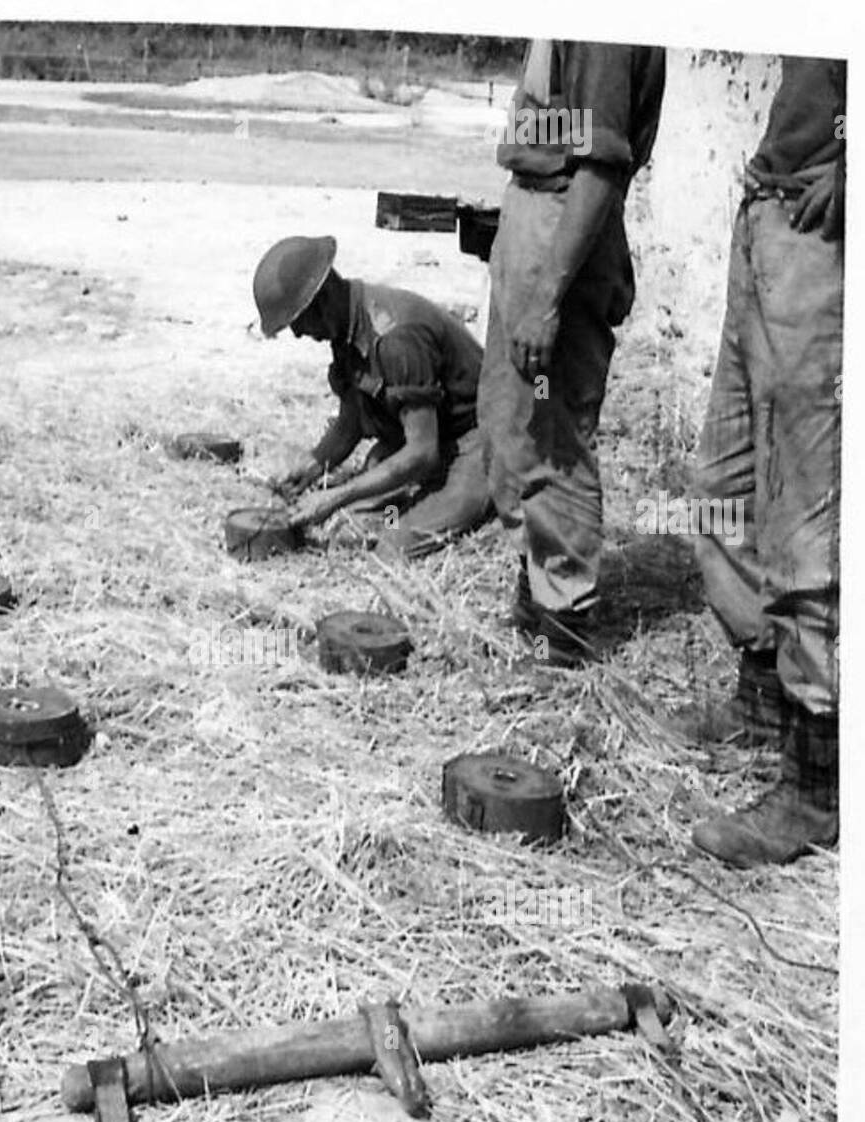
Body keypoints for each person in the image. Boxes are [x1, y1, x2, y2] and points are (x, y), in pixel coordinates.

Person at [683, 57, 843, 868]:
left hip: (823, 239)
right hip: (768, 216)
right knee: (721, 488)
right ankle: (763, 695)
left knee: (802, 518)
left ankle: (813, 787)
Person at [479, 40, 665, 665]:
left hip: (562, 228)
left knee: (551, 431)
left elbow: (601, 166)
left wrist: (547, 299)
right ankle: (539, 592)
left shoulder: (604, 29)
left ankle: (565, 627)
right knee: (510, 425)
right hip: (535, 212)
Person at [252, 235, 493, 559]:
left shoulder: (395, 339)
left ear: (320, 301)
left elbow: (423, 452)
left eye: (297, 322)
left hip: (475, 440)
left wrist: (336, 496)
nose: (297, 333)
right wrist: (309, 469)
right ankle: (408, 502)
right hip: (424, 436)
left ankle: (482, 501)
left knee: (392, 548)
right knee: (358, 524)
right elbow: (351, 423)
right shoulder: (344, 323)